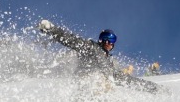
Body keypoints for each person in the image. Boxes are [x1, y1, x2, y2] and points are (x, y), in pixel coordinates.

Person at [37, 19, 168, 94]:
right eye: (104, 39)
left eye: (111, 40)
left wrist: (153, 88)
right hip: (85, 85)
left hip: (99, 92)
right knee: (101, 83)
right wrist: (52, 30)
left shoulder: (108, 64)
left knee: (112, 89)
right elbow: (71, 40)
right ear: (100, 40)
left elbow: (126, 80)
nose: (107, 43)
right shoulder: (90, 47)